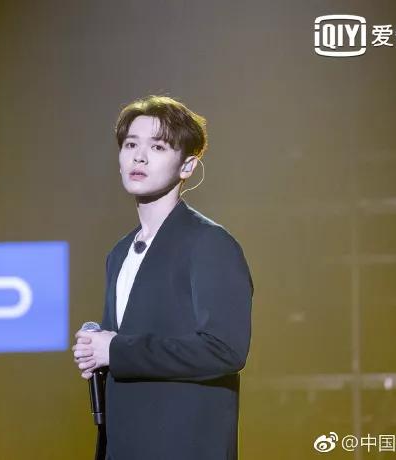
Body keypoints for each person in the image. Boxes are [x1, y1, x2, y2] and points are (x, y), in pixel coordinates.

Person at [72, 95, 254, 460]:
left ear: (187, 165)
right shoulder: (120, 252)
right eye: (130, 145)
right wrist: (97, 351)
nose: (139, 157)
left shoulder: (209, 243)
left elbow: (225, 349)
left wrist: (117, 349)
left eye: (157, 147)